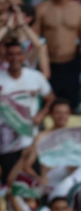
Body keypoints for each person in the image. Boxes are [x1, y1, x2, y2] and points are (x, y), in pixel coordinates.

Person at [0, 39, 54, 185]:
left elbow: (50, 98)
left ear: (24, 56)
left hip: (31, 139)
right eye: (10, 54)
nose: (15, 58)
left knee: (32, 182)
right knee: (10, 182)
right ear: (5, 57)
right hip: (7, 141)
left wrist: (41, 114)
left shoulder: (35, 77)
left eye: (18, 54)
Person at [33, 0, 81, 110]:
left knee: (71, 105)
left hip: (71, 64)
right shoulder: (41, 8)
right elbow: (34, 38)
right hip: (49, 65)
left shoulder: (79, 9)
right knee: (48, 104)